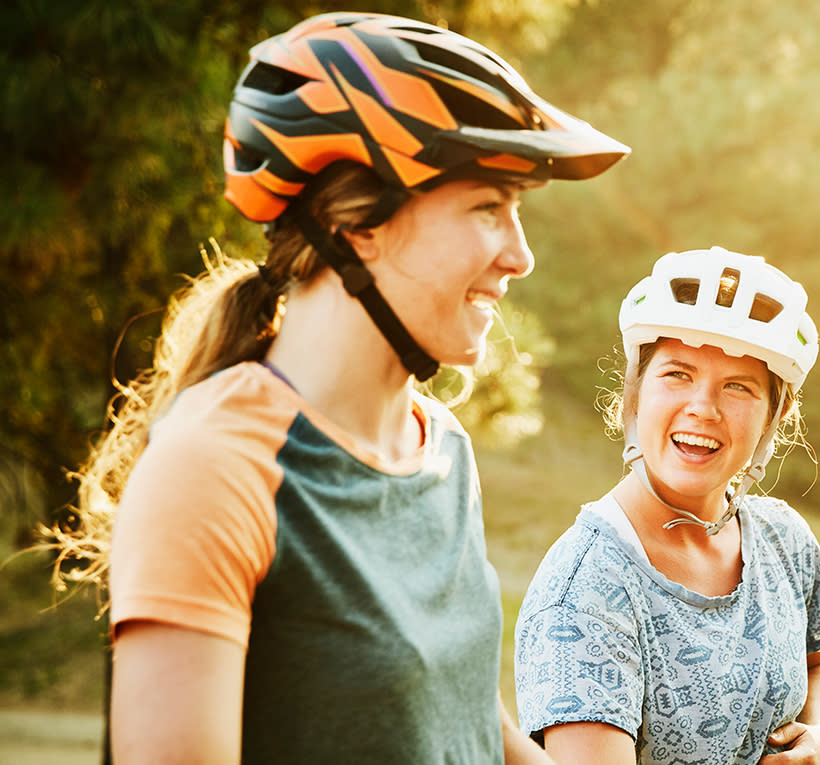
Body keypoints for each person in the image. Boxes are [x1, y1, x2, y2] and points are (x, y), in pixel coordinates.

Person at [44, 11, 627, 764]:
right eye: (489, 207)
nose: (521, 255)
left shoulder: (438, 446)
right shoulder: (217, 468)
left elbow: (460, 710)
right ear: (356, 224)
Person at [513, 247, 820, 765]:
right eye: (678, 374)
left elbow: (819, 661)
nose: (703, 408)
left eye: (738, 387)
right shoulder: (586, 590)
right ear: (635, 394)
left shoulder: (786, 541)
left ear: (772, 420)